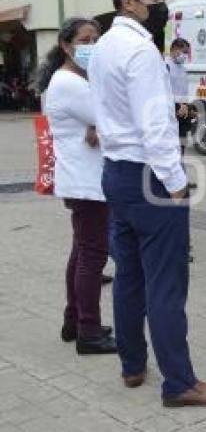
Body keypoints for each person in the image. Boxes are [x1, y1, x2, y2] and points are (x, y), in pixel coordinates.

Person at [88, 0, 206, 407]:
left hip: (117, 173)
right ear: (128, 1)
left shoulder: (103, 47)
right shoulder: (140, 53)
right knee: (167, 285)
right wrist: (175, 184)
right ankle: (180, 382)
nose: (161, 6)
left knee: (130, 277)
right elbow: (155, 128)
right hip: (147, 176)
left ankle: (133, 364)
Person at [38, 17, 117, 355]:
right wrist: (102, 126)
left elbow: (105, 120)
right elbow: (115, 115)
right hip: (87, 183)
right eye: (85, 39)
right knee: (92, 257)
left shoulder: (75, 80)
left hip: (84, 181)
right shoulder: (69, 83)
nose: (92, 45)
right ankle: (88, 331)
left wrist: (100, 127)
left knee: (81, 252)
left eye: (97, 38)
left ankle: (75, 320)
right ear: (66, 44)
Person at [165, 39, 193, 158]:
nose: (185, 56)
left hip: (183, 113)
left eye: (187, 53)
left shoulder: (182, 69)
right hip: (171, 111)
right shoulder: (166, 66)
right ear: (175, 49)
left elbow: (183, 91)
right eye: (184, 52)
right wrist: (177, 107)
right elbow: (164, 91)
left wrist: (188, 107)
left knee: (181, 149)